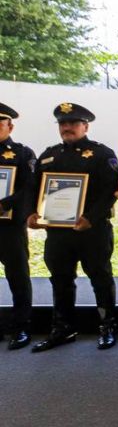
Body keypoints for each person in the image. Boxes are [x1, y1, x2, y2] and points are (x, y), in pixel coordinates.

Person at [27, 103, 118, 352]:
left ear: (85, 126)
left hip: (92, 231)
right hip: (57, 233)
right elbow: (33, 190)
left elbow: (110, 191)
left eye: (73, 123)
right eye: (62, 124)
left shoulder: (101, 154)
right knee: (60, 279)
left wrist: (91, 217)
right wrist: (31, 214)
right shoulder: (48, 155)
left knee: (100, 278)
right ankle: (63, 328)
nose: (67, 128)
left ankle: (107, 325)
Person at [0, 103, 35, 350]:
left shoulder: (22, 153)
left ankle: (21, 327)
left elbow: (30, 188)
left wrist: (4, 204)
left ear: (10, 126)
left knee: (18, 277)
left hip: (9, 227)